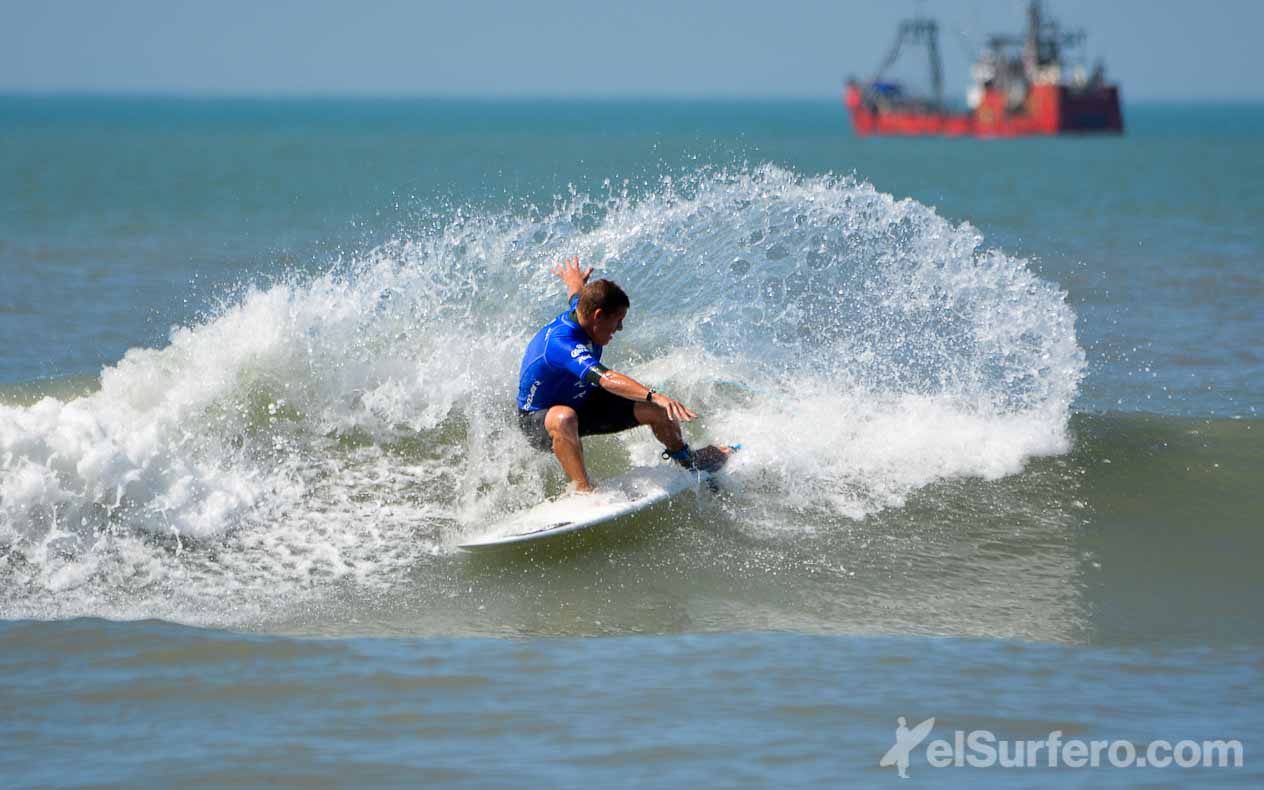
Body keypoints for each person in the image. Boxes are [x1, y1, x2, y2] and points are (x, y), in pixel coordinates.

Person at [516, 256, 732, 492]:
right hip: (539, 419)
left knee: (659, 413)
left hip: (581, 401)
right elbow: (606, 379)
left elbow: (577, 296)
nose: (619, 329)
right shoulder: (561, 344)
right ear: (598, 316)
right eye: (617, 321)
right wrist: (654, 394)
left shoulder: (583, 310)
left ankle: (689, 461)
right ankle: (583, 491)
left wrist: (574, 280)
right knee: (565, 417)